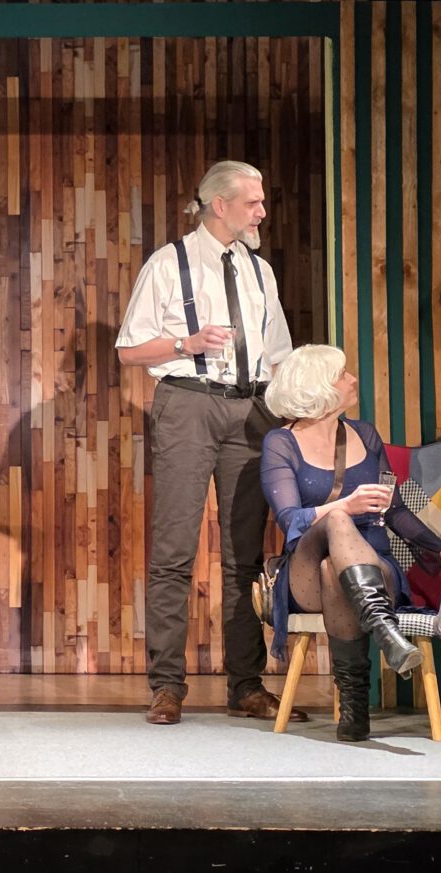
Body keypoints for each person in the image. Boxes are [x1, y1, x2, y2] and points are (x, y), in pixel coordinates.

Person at [116, 160, 302, 726]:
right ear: (220, 205)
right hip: (188, 405)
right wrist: (186, 342)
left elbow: (278, 356)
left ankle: (246, 685)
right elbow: (129, 350)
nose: (262, 212)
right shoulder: (168, 263)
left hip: (251, 410)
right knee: (174, 550)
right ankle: (167, 685)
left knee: (244, 556)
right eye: (253, 202)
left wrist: (294, 411)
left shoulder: (259, 271)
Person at [259, 345, 441, 741]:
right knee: (337, 522)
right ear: (317, 386)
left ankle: (355, 709)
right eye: (342, 374)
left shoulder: (364, 434)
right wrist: (344, 505)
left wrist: (440, 547)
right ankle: (384, 628)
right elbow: (290, 520)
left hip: (372, 570)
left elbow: (394, 509)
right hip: (305, 575)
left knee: (335, 570)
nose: (352, 380)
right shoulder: (281, 443)